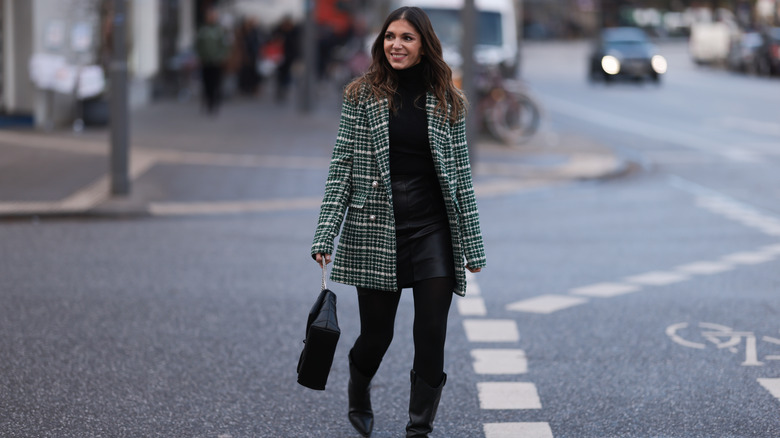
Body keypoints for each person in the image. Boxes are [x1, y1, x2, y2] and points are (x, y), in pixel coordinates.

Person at [310, 6, 486, 437]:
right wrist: (325, 231)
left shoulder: (450, 100)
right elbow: (342, 168)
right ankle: (359, 382)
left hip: (432, 229)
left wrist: (473, 245)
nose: (396, 45)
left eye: (407, 38)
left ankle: (418, 429)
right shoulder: (360, 95)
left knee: (431, 332)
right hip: (376, 227)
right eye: (390, 36)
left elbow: (461, 175)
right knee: (377, 335)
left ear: (424, 44)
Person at [195, 8, 230, 114]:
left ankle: (215, 104)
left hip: (216, 62)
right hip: (205, 61)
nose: (211, 18)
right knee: (206, 84)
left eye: (213, 16)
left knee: (216, 83)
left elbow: (225, 46)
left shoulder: (220, 30)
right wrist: (200, 56)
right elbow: (197, 45)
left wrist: (221, 56)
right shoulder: (202, 30)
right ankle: (208, 103)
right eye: (209, 16)